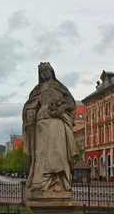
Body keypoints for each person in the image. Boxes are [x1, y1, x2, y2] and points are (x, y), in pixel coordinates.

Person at [22, 62, 79, 196]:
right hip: (41, 123)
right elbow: (30, 106)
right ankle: (41, 182)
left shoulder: (60, 87)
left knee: (58, 150)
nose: (44, 73)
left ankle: (58, 182)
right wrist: (29, 117)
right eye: (42, 71)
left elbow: (71, 103)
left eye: (46, 70)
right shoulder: (37, 89)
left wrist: (62, 108)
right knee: (40, 151)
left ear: (52, 71)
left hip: (57, 122)